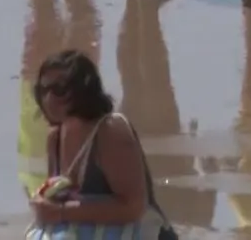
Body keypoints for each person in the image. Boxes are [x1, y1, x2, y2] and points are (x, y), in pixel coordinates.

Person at [26, 48, 174, 238]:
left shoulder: (110, 131)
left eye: (59, 90)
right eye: (43, 90)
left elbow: (134, 207)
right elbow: (57, 197)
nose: (49, 99)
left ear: (83, 89)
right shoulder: (54, 138)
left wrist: (61, 212)